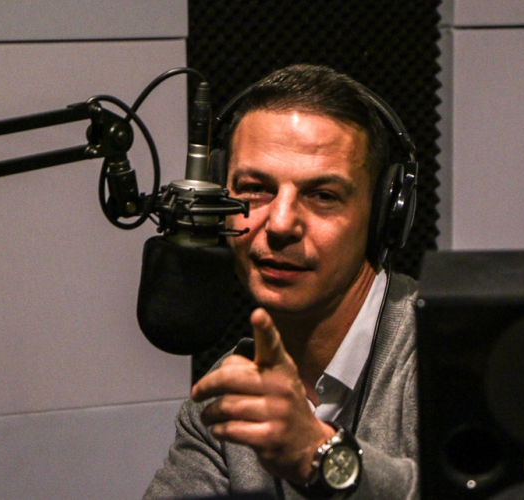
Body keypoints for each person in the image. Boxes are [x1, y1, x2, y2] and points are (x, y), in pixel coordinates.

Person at [144, 64, 419, 499]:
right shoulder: (230, 396)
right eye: (255, 189)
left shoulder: (444, 353)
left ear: (384, 217)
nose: (281, 224)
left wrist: (320, 456)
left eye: (323, 196)